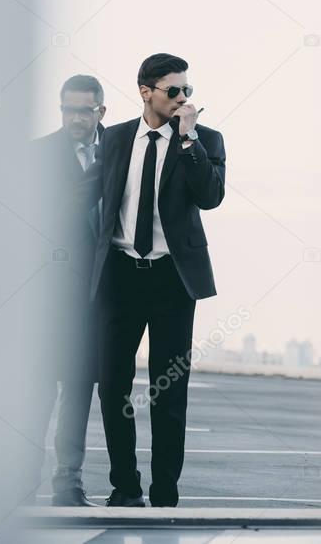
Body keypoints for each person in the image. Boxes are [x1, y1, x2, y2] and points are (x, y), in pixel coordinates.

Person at [78, 53, 226, 507]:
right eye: (173, 91)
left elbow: (211, 196)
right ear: (145, 91)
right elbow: (84, 198)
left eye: (188, 92)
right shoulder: (118, 138)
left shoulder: (206, 140)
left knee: (168, 391)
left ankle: (165, 492)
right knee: (112, 385)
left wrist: (187, 140)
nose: (183, 99)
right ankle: (125, 486)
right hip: (119, 277)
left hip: (172, 281)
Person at [28, 75, 106, 507]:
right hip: (50, 294)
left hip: (100, 297)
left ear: (101, 111)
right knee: (38, 388)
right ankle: (22, 476)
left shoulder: (118, 152)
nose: (76, 118)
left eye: (85, 110)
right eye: (68, 109)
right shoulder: (37, 156)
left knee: (80, 388)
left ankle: (67, 482)